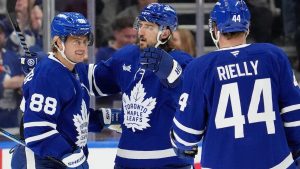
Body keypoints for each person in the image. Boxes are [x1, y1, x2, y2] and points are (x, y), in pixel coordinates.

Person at [170, 0, 300, 168]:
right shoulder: (273, 55)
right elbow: (295, 118)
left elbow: (184, 139)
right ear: (247, 27)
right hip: (276, 163)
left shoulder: (199, 68)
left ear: (215, 29)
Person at [89, 3, 194, 169]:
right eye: (141, 25)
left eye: (149, 27)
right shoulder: (127, 55)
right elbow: (92, 80)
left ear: (165, 32)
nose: (141, 32)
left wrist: (174, 78)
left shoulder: (183, 62)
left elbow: (193, 105)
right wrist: (49, 70)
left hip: (169, 162)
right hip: (126, 161)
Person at [10, 12, 94, 169]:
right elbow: (38, 132)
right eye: (76, 42)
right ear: (58, 42)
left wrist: (101, 119)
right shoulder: (49, 74)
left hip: (58, 160)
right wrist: (71, 156)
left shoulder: (72, 70)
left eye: (84, 41)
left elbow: (70, 120)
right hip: (39, 162)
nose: (83, 47)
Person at [0, 20, 24, 130]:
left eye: (0, 32)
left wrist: (11, 83)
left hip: (12, 126)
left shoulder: (13, 58)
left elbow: (25, 82)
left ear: (4, 36)